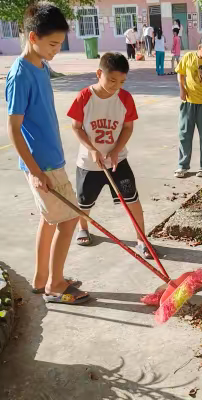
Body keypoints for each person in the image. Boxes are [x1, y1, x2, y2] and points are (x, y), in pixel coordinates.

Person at [5, 2, 90, 304]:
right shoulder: (20, 75)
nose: (56, 50)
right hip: (43, 165)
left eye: (60, 44)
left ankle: (42, 279)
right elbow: (14, 129)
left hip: (51, 159)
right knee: (68, 220)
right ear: (32, 38)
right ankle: (55, 285)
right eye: (52, 44)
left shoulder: (40, 66)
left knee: (50, 220)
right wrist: (36, 172)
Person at [67, 52, 154, 259]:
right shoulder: (84, 97)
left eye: (122, 81)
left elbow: (127, 128)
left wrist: (115, 151)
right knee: (84, 203)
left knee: (132, 200)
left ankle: (141, 239)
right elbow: (76, 127)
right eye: (112, 80)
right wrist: (92, 149)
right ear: (99, 73)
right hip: (89, 163)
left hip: (118, 161)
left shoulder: (125, 98)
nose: (116, 86)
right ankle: (84, 228)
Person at [174, 33, 202, 178]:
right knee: (184, 134)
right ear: (200, 47)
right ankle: (182, 165)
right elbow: (180, 73)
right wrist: (182, 88)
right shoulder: (188, 57)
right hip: (189, 102)